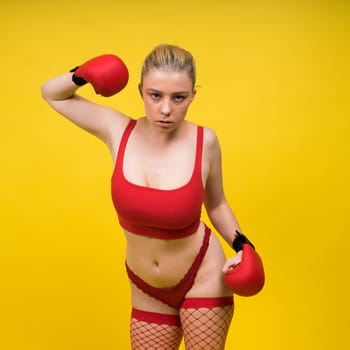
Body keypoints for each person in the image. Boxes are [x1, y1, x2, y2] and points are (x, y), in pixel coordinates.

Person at [41, 44, 253, 349]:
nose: (166, 109)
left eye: (178, 97)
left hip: (202, 276)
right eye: (155, 95)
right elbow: (51, 93)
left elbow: (216, 203)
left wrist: (242, 244)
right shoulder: (117, 129)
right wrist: (82, 74)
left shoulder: (204, 141)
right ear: (141, 91)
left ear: (193, 95)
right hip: (145, 288)